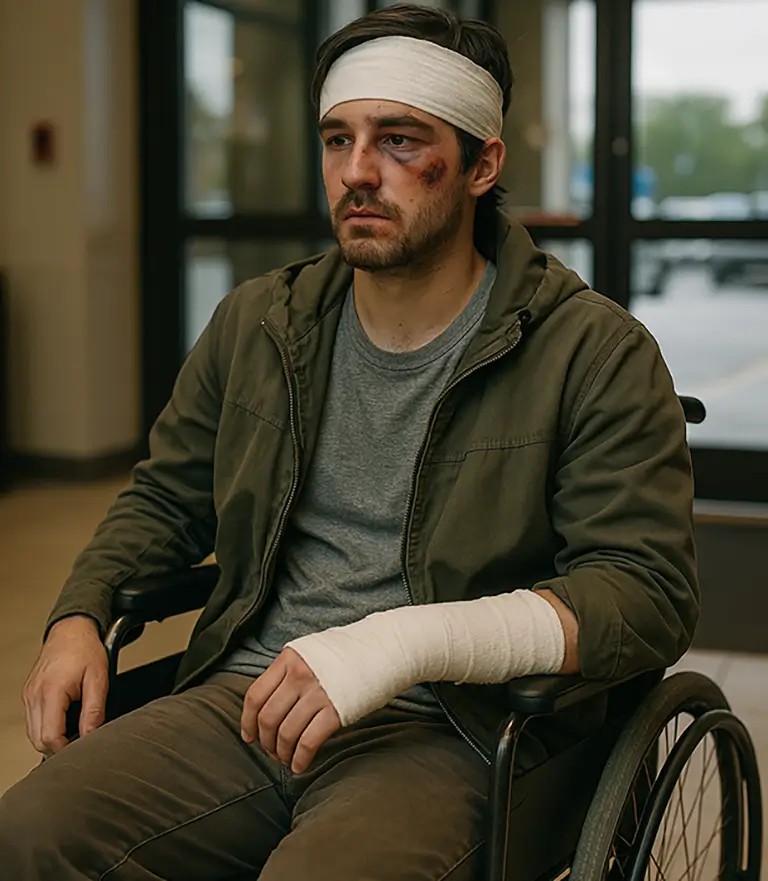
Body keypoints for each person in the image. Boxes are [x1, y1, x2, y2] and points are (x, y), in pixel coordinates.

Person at [0, 4, 698, 879]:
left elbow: (645, 592)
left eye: (400, 140)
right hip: (250, 695)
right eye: (338, 140)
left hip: (452, 727)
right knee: (28, 833)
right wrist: (78, 616)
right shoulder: (261, 323)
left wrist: (394, 644)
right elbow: (165, 497)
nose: (358, 174)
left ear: (482, 163)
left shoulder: (591, 351)